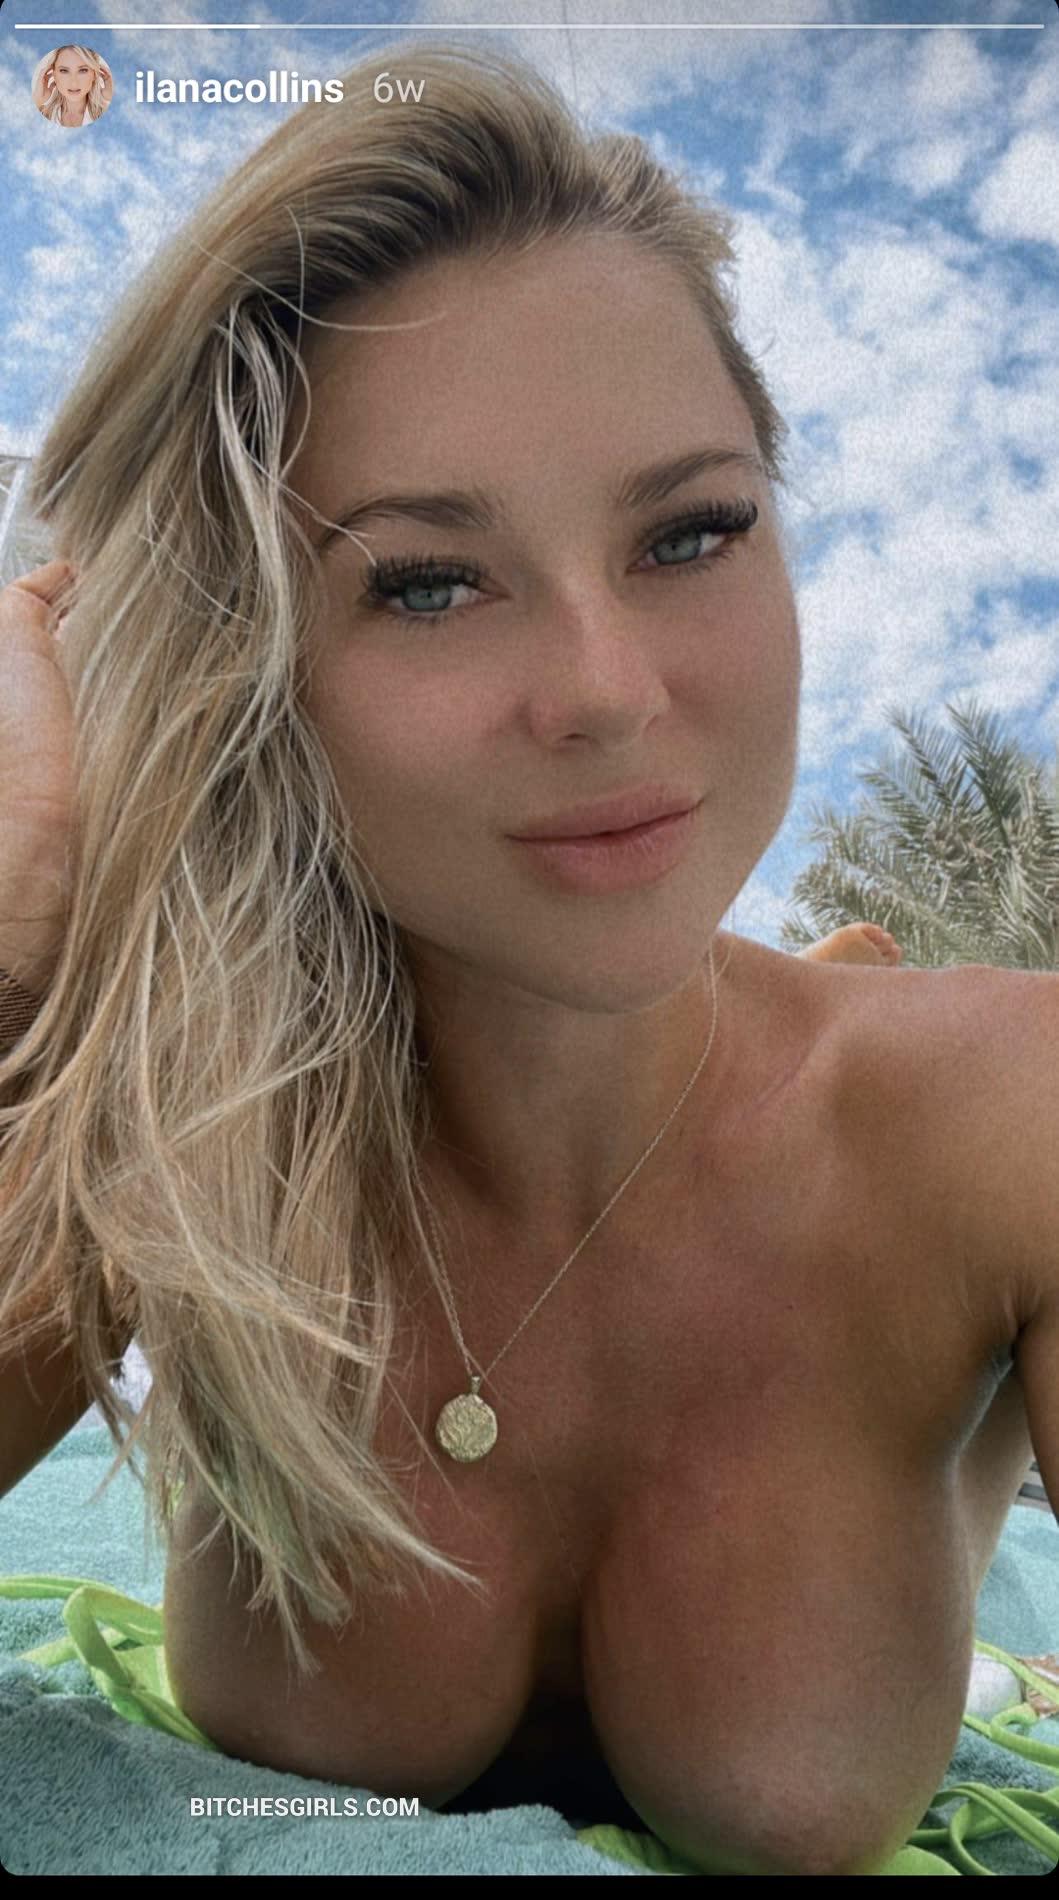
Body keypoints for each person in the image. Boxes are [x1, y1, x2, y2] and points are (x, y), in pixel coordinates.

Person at [0, 40, 1053, 1878]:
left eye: (688, 532)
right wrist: (26, 944)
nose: (605, 692)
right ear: (242, 657)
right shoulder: (178, 1128)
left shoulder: (1005, 1115)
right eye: (425, 580)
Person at [32, 44, 114, 127]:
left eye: (83, 70)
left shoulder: (109, 116)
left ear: (94, 74)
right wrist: (38, 100)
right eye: (64, 71)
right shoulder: (40, 115)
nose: (73, 83)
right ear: (54, 74)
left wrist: (111, 99)